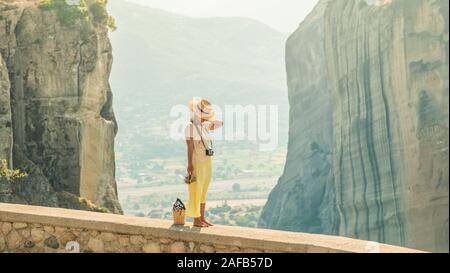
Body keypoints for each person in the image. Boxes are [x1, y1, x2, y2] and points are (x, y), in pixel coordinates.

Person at [185, 98, 223, 227]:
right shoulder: (190, 127)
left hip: (207, 162)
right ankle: (196, 220)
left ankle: (202, 218)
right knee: (196, 190)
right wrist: (189, 164)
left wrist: (208, 119)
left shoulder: (203, 127)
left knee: (203, 191)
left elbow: (219, 124)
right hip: (197, 163)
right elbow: (189, 147)